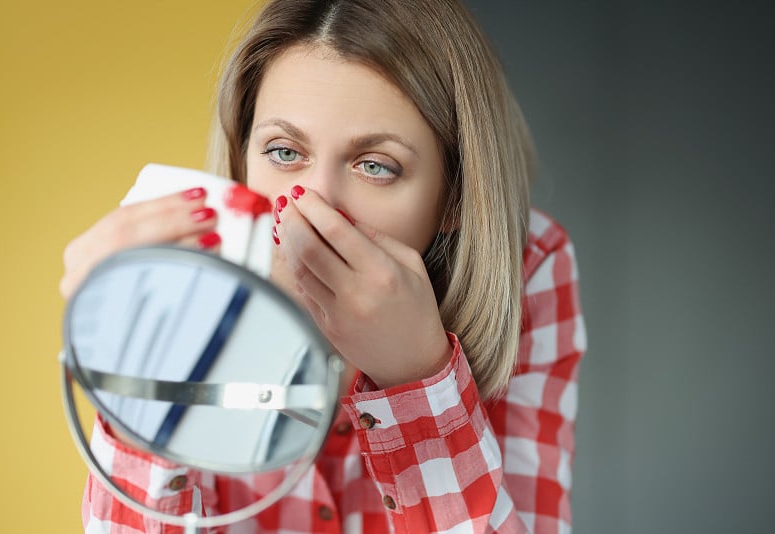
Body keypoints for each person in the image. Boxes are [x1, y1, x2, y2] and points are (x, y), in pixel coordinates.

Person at [61, 0, 586, 532]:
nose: (313, 207)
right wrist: (142, 378)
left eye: (375, 165)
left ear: (455, 195)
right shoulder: (191, 278)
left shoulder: (530, 270)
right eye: (285, 153)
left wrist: (416, 377)